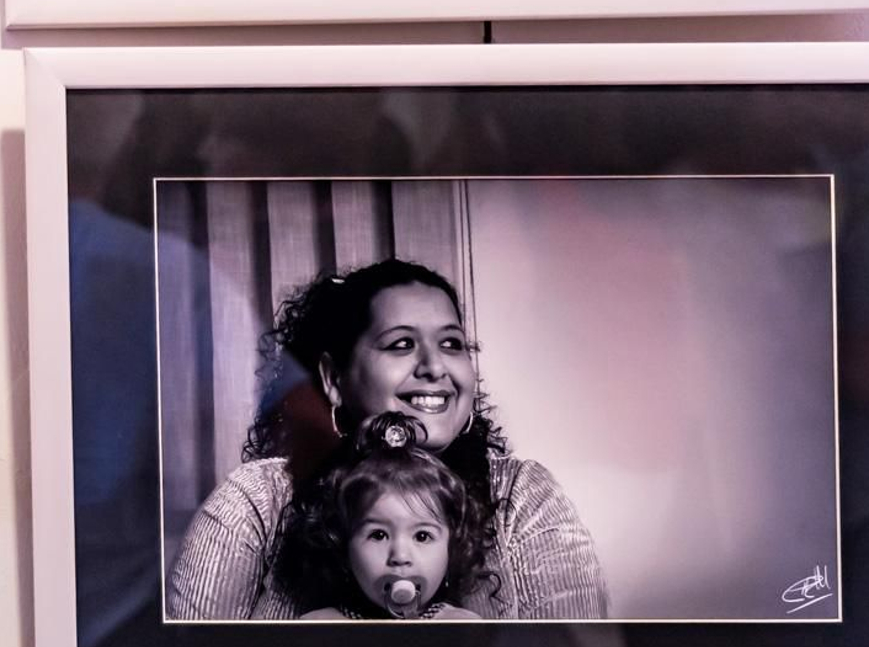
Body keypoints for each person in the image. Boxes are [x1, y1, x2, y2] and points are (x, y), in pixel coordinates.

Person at [167, 257, 609, 621]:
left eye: (453, 345)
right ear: (334, 379)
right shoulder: (258, 499)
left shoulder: (523, 496)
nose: (435, 368)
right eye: (401, 345)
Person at [290, 412, 485, 621]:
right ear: (344, 549)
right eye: (378, 535)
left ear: (451, 550)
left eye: (422, 536)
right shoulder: (321, 628)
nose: (400, 557)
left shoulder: (461, 628)